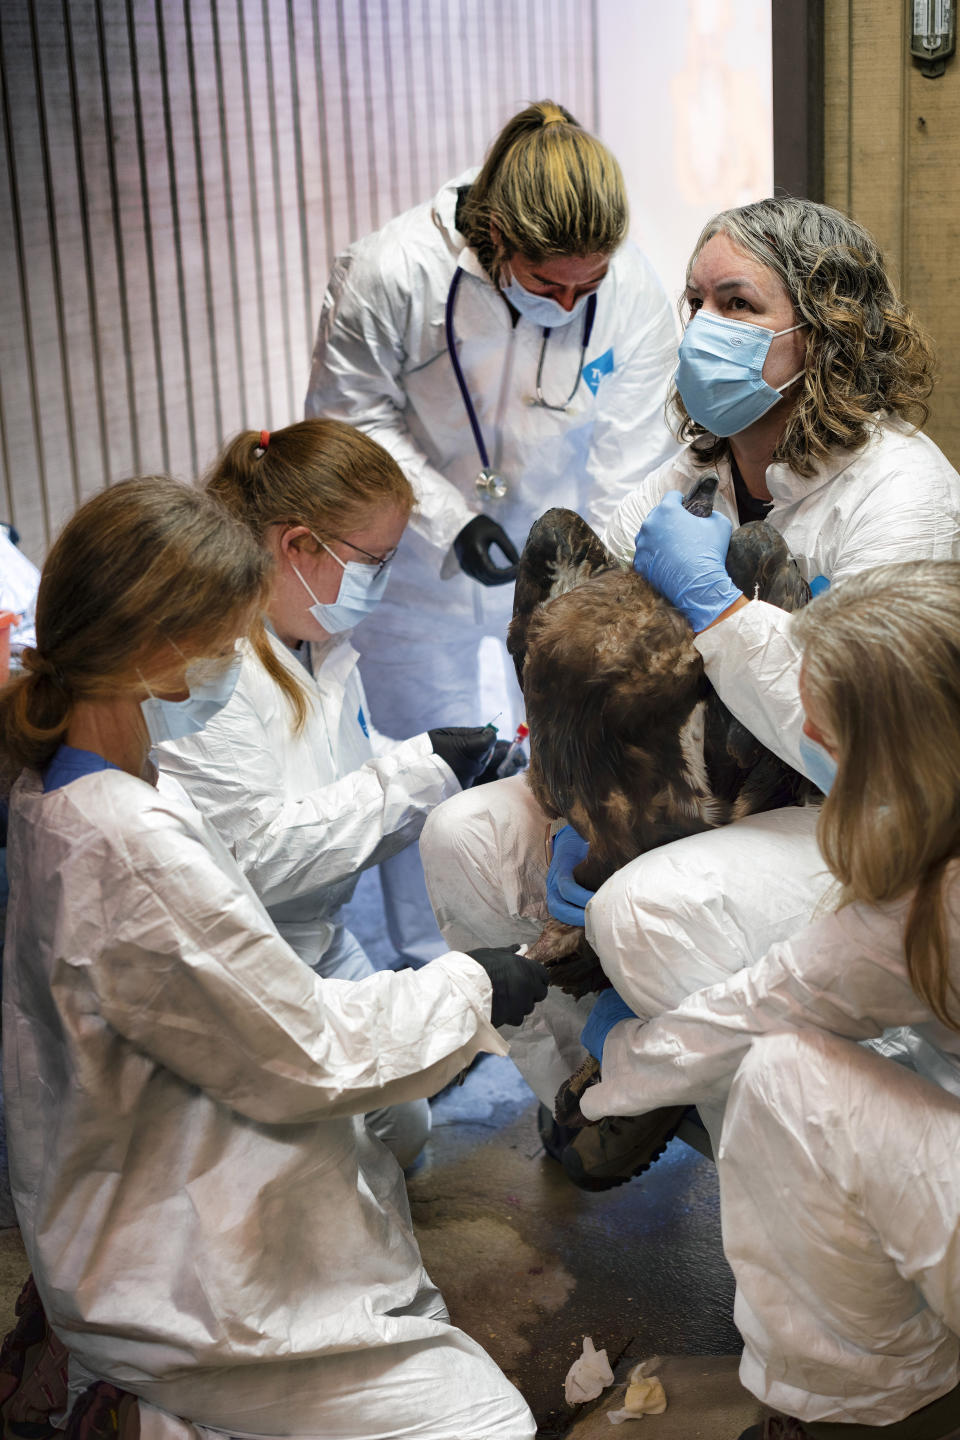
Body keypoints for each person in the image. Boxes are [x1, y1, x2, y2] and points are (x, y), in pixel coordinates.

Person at [419, 195, 960, 1187]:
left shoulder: (899, 492)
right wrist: (577, 784)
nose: (704, 324)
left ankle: (737, 1129)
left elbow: (861, 745)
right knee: (463, 840)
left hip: (838, 806)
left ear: (825, 324)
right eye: (695, 298)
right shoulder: (696, 469)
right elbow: (589, 627)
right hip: (688, 772)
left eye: (738, 303)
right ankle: (595, 1083)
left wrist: (718, 609)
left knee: (640, 914)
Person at [0, 476, 545, 1440]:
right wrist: (473, 987)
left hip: (134, 1164)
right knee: (483, 1426)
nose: (236, 658)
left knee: (387, 1146)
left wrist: (415, 769)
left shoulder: (73, 784)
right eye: (227, 634)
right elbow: (310, 1054)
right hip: (171, 1280)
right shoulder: (127, 844)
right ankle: (139, 1412)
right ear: (162, 649)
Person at [574, 561, 960, 1438]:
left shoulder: (934, 903)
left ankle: (862, 1409)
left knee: (785, 1084)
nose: (810, 728)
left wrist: (617, 1064)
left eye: (832, 726)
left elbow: (769, 1007)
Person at [306, 99, 679, 968]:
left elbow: (633, 455)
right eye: (550, 283)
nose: (572, 300)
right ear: (497, 232)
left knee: (568, 747)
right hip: (418, 565)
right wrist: (449, 520)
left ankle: (547, 954)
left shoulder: (628, 289)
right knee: (423, 765)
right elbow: (349, 420)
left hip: (560, 549)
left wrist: (600, 573)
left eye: (589, 283)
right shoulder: (390, 271)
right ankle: (427, 966)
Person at [156, 419, 510, 1170]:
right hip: (239, 965)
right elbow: (257, 857)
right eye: (373, 562)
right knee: (314, 1171)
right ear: (297, 546)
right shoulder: (210, 671)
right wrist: (419, 775)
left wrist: (456, 768)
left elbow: (335, 770)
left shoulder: (313, 640)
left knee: (404, 1131)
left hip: (315, 940)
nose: (379, 583)